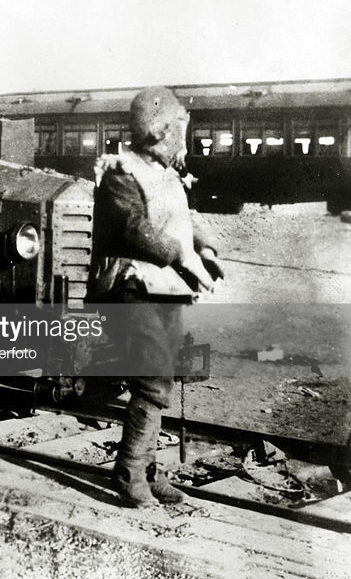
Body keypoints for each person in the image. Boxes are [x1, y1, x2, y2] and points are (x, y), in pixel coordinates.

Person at [90, 86, 224, 507]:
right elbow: (135, 231)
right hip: (132, 287)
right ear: (159, 132)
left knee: (162, 378)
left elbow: (186, 218)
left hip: (165, 289)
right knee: (152, 379)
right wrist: (183, 258)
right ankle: (129, 472)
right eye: (178, 132)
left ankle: (147, 469)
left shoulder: (166, 174)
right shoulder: (120, 174)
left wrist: (205, 249)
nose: (183, 141)